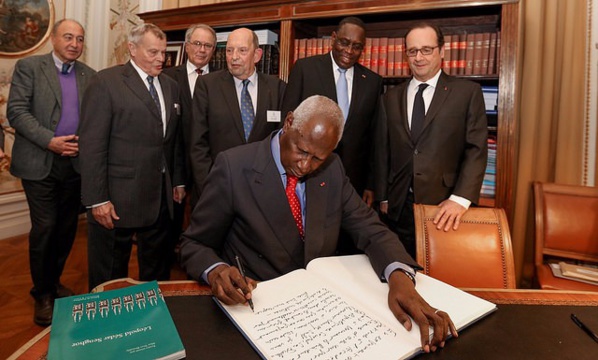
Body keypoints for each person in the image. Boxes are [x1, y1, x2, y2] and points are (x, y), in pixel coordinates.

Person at [180, 95, 457, 353]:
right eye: (301, 151)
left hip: (320, 317)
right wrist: (216, 271)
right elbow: (194, 243)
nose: (305, 165)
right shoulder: (234, 166)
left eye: (317, 159)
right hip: (261, 310)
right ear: (288, 123)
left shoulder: (332, 169)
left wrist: (400, 277)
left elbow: (370, 228)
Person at [79, 23, 185, 291]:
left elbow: (172, 142)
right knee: (110, 275)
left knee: (158, 271)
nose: (161, 59)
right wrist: (97, 199)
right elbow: (92, 145)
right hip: (116, 199)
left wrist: (176, 181)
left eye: (163, 52)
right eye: (153, 52)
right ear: (132, 49)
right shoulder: (106, 82)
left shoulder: (171, 86)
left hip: (159, 198)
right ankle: (108, 327)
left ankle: (153, 320)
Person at [7, 19, 96, 326]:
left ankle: (54, 281)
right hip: (39, 161)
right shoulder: (30, 67)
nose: (74, 43)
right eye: (68, 37)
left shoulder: (90, 75)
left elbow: (94, 117)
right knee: (45, 228)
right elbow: (16, 112)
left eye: (80, 39)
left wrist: (86, 138)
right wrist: (50, 141)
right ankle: (42, 293)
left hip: (74, 164)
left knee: (66, 228)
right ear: (53, 39)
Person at [380, 22, 488, 257]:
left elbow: (476, 150)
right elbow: (383, 150)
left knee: (440, 278)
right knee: (399, 271)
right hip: (398, 209)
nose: (419, 57)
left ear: (442, 51)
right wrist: (384, 196)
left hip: (445, 207)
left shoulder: (467, 93)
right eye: (412, 51)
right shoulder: (391, 97)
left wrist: (460, 199)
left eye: (426, 49)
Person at [281, 16, 385, 208]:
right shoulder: (305, 69)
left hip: (353, 179)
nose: (348, 51)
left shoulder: (373, 81)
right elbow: (286, 125)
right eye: (344, 43)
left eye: (356, 46)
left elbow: (374, 137)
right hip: (307, 172)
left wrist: (371, 184)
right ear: (333, 38)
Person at [189, 27, 286, 194]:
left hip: (263, 188)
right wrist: (210, 184)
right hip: (219, 186)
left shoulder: (277, 88)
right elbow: (197, 143)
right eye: (229, 50)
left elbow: (282, 140)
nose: (234, 57)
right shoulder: (207, 85)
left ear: (257, 55)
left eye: (242, 50)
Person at [163, 24, 217, 266]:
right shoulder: (167, 78)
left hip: (208, 164)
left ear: (214, 50)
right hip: (176, 163)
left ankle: (199, 264)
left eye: (207, 45)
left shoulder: (222, 79)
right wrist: (177, 177)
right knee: (170, 225)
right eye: (197, 43)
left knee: (206, 220)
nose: (201, 50)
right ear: (186, 46)